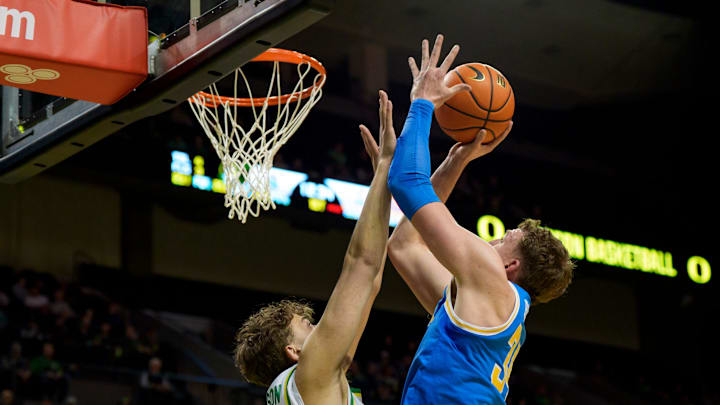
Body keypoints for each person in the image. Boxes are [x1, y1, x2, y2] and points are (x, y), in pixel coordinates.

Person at [385, 34, 575, 404]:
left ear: (510, 265)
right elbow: (405, 246)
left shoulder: (490, 280)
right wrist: (456, 161)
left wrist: (423, 104)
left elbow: (405, 183)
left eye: (502, 240)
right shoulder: (486, 300)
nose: (490, 243)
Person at [233, 91, 397, 405]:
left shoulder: (304, 385)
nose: (320, 326)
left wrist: (383, 185)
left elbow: (370, 280)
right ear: (294, 352)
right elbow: (361, 264)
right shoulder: (308, 375)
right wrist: (385, 167)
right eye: (309, 326)